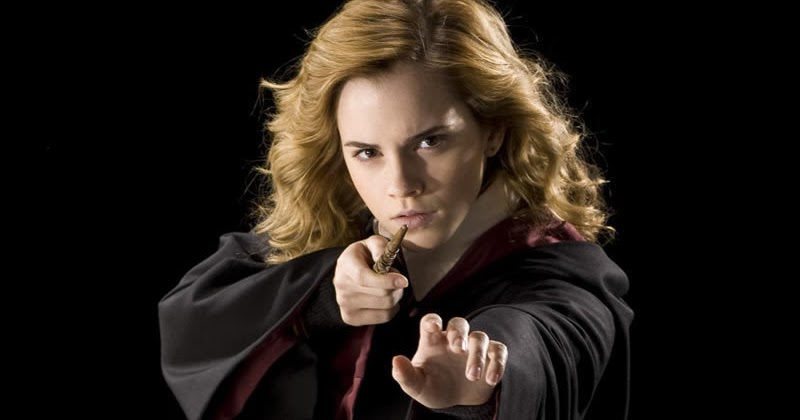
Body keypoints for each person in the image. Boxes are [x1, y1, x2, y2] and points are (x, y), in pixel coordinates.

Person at [158, 0, 633, 419]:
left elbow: (550, 337)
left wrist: (480, 383)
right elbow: (193, 321)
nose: (401, 186)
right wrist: (322, 297)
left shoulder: (562, 274)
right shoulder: (332, 237)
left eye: (430, 142)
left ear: (493, 130)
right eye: (367, 152)